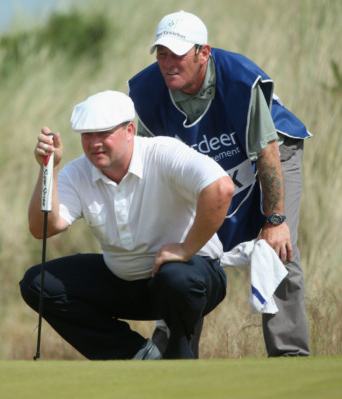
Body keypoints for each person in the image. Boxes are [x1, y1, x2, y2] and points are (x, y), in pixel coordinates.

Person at [128, 11, 311, 357]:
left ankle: (290, 355)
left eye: (178, 54)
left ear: (203, 52)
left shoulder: (241, 80)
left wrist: (274, 221)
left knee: (277, 248)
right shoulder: (147, 93)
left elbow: (266, 152)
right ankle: (175, 356)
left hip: (270, 152)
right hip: (204, 167)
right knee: (185, 251)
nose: (168, 63)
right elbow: (152, 169)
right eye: (161, 54)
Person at [19, 90, 234, 360]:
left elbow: (221, 188)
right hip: (126, 283)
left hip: (191, 279)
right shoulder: (77, 172)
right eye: (87, 135)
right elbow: (42, 228)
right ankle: (137, 356)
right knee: (37, 284)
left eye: (103, 134)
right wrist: (47, 169)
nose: (94, 143)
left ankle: (180, 351)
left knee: (175, 278)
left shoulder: (163, 153)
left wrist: (186, 248)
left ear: (130, 130)